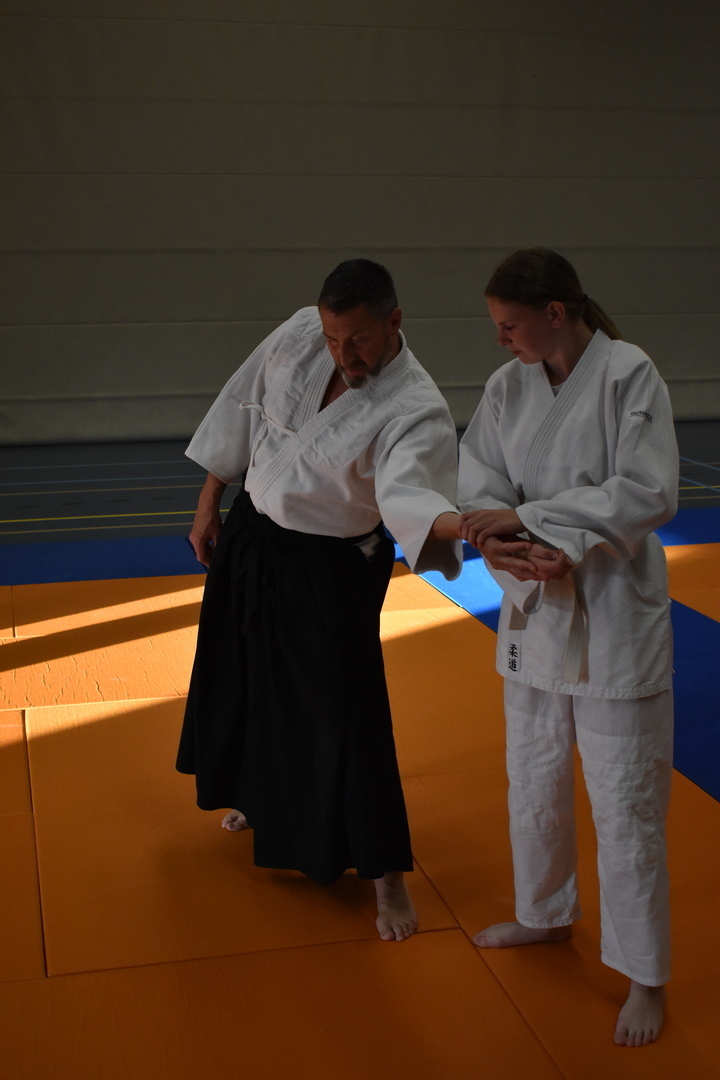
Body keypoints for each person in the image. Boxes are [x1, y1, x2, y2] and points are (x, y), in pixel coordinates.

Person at [177, 259, 462, 942]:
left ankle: (386, 874)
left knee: (347, 711)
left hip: (330, 567)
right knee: (248, 678)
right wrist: (210, 500)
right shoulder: (302, 331)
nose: (342, 353)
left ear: (394, 322)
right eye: (334, 338)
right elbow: (243, 402)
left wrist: (470, 527)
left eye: (358, 339)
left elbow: (409, 498)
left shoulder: (416, 407)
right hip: (254, 536)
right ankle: (259, 797)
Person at [457, 248, 678, 1046]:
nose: (501, 340)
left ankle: (645, 976)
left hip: (614, 615)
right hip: (536, 608)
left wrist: (544, 527)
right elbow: (479, 482)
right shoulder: (506, 387)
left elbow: (649, 490)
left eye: (509, 325)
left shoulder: (628, 374)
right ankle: (544, 913)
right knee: (534, 778)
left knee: (625, 802)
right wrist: (508, 545)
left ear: (556, 313)